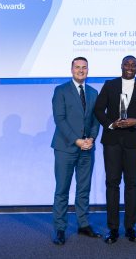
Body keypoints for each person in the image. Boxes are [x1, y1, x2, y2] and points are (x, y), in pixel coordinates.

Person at [94, 55, 136, 244]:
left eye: (134, 65)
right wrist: (111, 125)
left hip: (133, 142)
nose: (130, 67)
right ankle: (113, 229)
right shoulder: (110, 85)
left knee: (132, 184)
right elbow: (98, 110)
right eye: (127, 64)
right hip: (112, 141)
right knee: (112, 183)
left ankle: (130, 228)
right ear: (121, 66)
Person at [51, 57, 101, 245]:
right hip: (65, 148)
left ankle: (83, 224)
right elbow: (60, 119)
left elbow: (96, 120)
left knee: (83, 188)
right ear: (71, 69)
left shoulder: (93, 92)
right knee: (62, 189)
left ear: (88, 70)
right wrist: (77, 140)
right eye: (77, 67)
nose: (81, 70)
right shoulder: (61, 90)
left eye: (84, 67)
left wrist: (91, 139)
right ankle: (60, 228)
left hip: (87, 148)